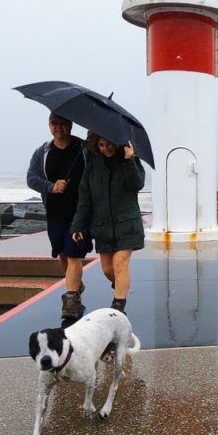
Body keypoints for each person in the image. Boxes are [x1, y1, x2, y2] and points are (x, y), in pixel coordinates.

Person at [71, 134, 145, 313]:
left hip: (126, 225)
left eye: (109, 144)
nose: (106, 148)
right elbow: (85, 198)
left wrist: (129, 161)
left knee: (120, 264)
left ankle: (118, 307)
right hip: (102, 226)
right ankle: (121, 285)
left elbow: (137, 184)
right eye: (102, 145)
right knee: (107, 269)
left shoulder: (130, 160)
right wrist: (78, 225)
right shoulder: (93, 167)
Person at [26, 113, 88, 321]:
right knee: (62, 254)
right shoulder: (42, 152)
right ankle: (75, 285)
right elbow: (31, 179)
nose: (58, 128)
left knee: (73, 254)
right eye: (54, 124)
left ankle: (70, 299)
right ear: (49, 125)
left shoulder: (84, 149)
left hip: (79, 213)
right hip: (54, 213)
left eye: (63, 124)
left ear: (70, 125)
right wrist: (51, 187)